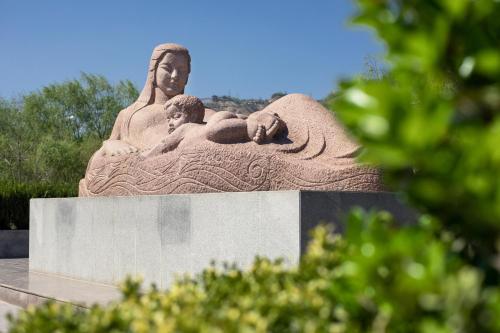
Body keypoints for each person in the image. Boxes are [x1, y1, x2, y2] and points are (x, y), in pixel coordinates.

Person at [141, 94, 283, 158]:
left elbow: (164, 144)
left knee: (212, 132)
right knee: (216, 131)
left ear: (193, 117)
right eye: (168, 119)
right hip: (225, 121)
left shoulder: (187, 128)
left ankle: (248, 126)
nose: (170, 122)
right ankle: (258, 118)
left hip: (218, 121)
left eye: (176, 116)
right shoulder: (195, 129)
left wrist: (146, 156)